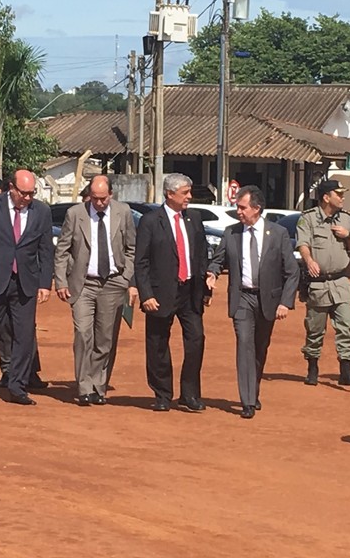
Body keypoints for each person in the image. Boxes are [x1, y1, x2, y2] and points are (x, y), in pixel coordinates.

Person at [206, 185, 299, 418]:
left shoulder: (277, 234)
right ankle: (247, 401)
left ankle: (253, 391)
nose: (238, 211)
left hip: (268, 299)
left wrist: (285, 302)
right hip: (242, 298)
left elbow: (292, 271)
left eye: (242, 207)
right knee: (244, 344)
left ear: (256, 209)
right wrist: (212, 273)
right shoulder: (231, 233)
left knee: (260, 348)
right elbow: (218, 260)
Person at [0, 169, 54, 406]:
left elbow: (46, 250)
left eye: (31, 193)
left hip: (26, 282)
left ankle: (17, 386)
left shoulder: (42, 212)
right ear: (11, 188)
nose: (27, 198)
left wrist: (45, 283)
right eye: (23, 193)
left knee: (24, 337)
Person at [54, 175, 137, 405]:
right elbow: (62, 251)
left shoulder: (124, 212)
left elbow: (132, 247)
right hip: (83, 284)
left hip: (113, 283)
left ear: (111, 195)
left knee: (105, 339)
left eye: (103, 198)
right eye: (95, 198)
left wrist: (126, 277)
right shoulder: (75, 214)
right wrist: (61, 282)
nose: (99, 203)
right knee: (83, 334)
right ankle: (83, 387)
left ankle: (98, 386)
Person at [133, 173, 210, 412]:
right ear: (169, 194)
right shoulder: (150, 221)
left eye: (189, 192)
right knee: (157, 344)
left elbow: (201, 255)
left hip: (189, 292)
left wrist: (205, 289)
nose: (189, 197)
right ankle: (162, 394)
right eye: (185, 193)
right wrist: (146, 294)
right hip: (160, 293)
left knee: (196, 340)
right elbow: (141, 261)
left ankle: (190, 394)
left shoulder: (194, 218)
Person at [296, 179, 350, 387]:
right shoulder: (308, 219)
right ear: (326, 197)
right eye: (338, 194)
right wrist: (309, 261)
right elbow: (303, 244)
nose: (342, 198)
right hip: (319, 283)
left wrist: (348, 235)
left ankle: (346, 370)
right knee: (315, 329)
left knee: (346, 325)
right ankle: (312, 367)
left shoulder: (345, 219)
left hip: (340, 281)